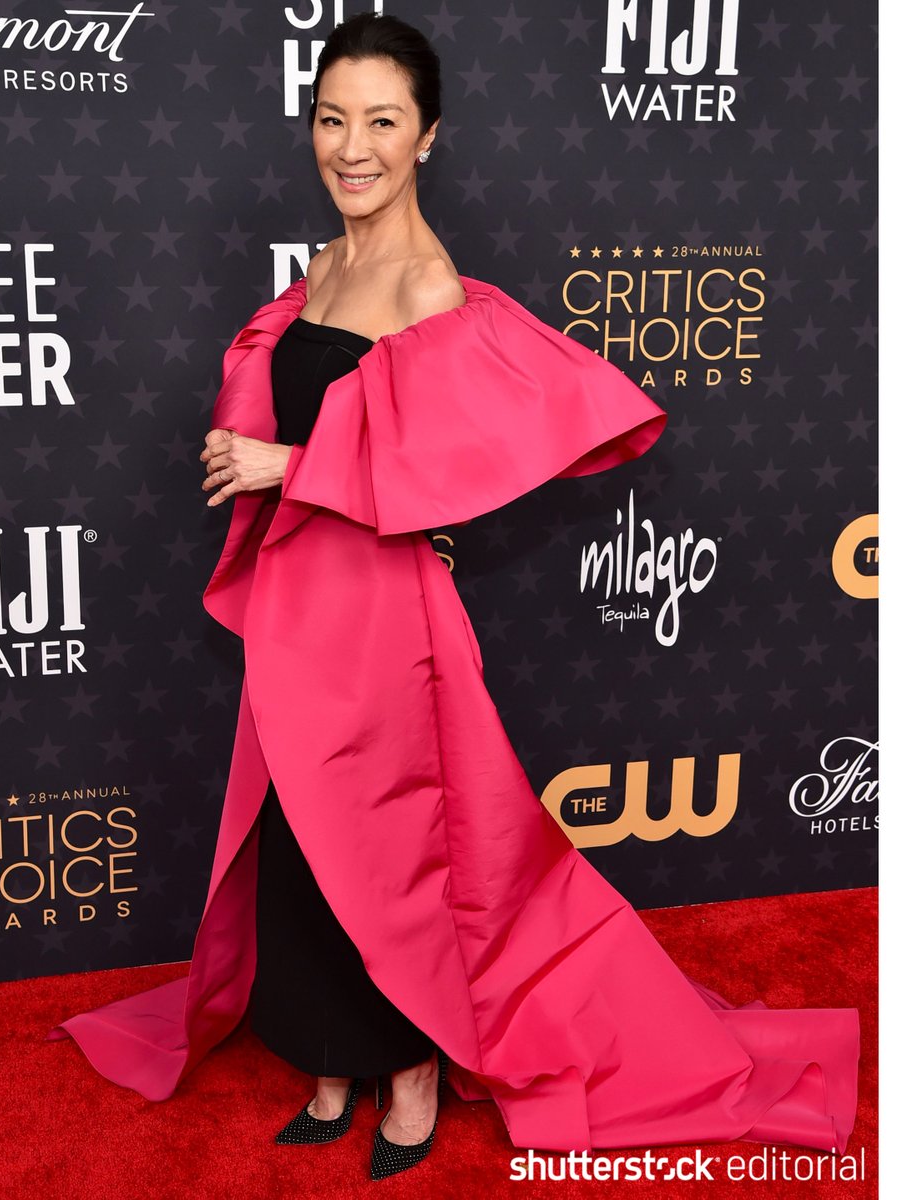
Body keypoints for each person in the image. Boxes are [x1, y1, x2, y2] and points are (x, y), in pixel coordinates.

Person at [48, 11, 860, 1184]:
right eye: (333, 119)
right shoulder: (325, 268)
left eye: (382, 121)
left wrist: (288, 465)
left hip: (382, 620)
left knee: (389, 855)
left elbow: (439, 467)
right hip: (297, 604)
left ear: (427, 136)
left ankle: (413, 1073)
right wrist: (253, 446)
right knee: (301, 840)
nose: (353, 147)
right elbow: (339, 419)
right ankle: (330, 1061)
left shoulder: (431, 286)